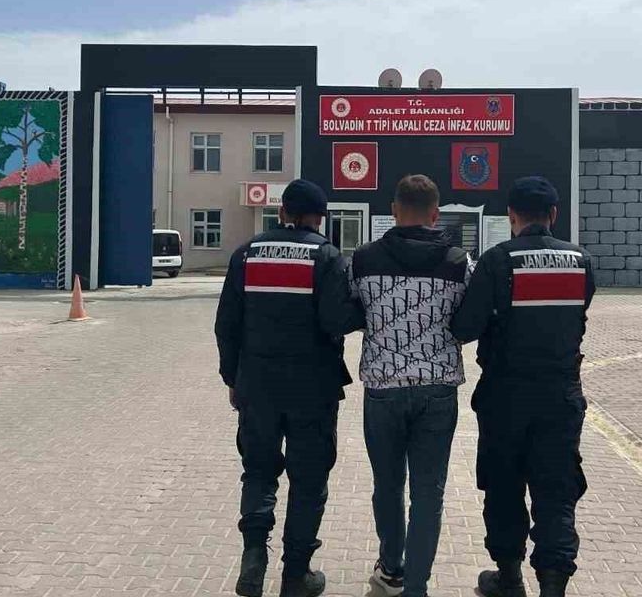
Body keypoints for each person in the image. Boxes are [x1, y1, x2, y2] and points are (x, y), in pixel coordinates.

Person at [214, 179, 363, 597]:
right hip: (312, 390)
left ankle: (253, 556)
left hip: (257, 386)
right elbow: (336, 320)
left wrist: (233, 378)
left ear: (281, 213)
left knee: (259, 471)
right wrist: (361, 308)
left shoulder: (247, 254)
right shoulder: (326, 256)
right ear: (321, 218)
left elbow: (226, 325)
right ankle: (296, 574)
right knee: (309, 479)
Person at [450, 176, 595, 597]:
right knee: (556, 490)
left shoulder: (497, 261)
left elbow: (466, 327)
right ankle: (553, 585)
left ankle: (509, 578)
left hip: (505, 396)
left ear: (511, 215)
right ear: (554, 214)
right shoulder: (581, 261)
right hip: (560, 396)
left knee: (503, 485)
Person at [348, 174, 472, 597]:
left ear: (393, 211)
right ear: (435, 214)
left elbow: (349, 312)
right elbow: (470, 320)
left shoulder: (363, 259)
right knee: (428, 492)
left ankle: (391, 568)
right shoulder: (458, 262)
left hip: (383, 387)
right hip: (438, 388)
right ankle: (416, 586)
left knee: (387, 485)